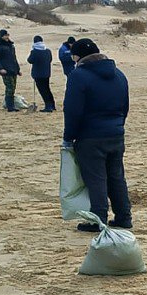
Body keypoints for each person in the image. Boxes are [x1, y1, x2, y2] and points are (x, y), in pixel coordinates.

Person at [62, 38, 132, 233]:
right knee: (116, 177)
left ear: (78, 56)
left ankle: (97, 219)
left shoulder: (78, 76)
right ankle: (124, 217)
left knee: (96, 179)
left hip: (90, 137)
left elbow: (72, 110)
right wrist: (118, 126)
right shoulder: (119, 74)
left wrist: (69, 136)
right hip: (116, 134)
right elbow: (124, 106)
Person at [0, 29, 21, 112]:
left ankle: (11, 105)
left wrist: (18, 69)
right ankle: (10, 107)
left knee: (13, 87)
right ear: (2, 36)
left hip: (13, 69)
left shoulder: (10, 45)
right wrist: (0, 68)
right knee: (9, 88)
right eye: (5, 35)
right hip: (5, 70)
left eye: (8, 35)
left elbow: (14, 58)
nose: (7, 37)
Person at [26, 35, 56, 112]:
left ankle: (48, 106)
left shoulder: (34, 52)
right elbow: (50, 60)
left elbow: (30, 60)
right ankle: (52, 105)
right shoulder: (48, 51)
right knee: (47, 89)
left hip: (38, 74)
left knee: (43, 90)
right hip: (46, 73)